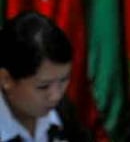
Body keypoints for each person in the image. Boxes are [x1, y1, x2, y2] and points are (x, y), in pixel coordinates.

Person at [0, 11, 91, 142]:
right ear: (6, 79)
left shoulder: (64, 113)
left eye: (64, 80)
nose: (56, 96)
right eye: (43, 86)